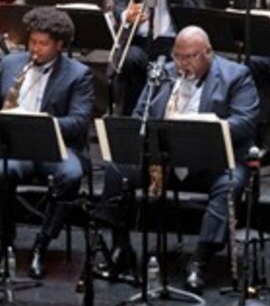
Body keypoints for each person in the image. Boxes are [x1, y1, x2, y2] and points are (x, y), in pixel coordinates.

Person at [98, 26, 259, 292]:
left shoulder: (236, 75)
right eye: (178, 56)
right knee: (117, 170)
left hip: (213, 161)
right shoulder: (163, 74)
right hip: (165, 160)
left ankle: (199, 261)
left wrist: (203, 128)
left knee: (230, 185)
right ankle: (121, 247)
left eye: (190, 57)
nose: (182, 64)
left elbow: (245, 121)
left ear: (208, 52)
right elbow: (139, 115)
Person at [0, 7, 94, 279]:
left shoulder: (79, 74)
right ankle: (4, 242)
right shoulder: (10, 64)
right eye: (32, 42)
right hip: (17, 147)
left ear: (59, 45)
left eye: (43, 44)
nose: (35, 49)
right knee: (1, 172)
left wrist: (42, 125)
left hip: (56, 147)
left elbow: (79, 122)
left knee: (71, 175)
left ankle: (41, 245)